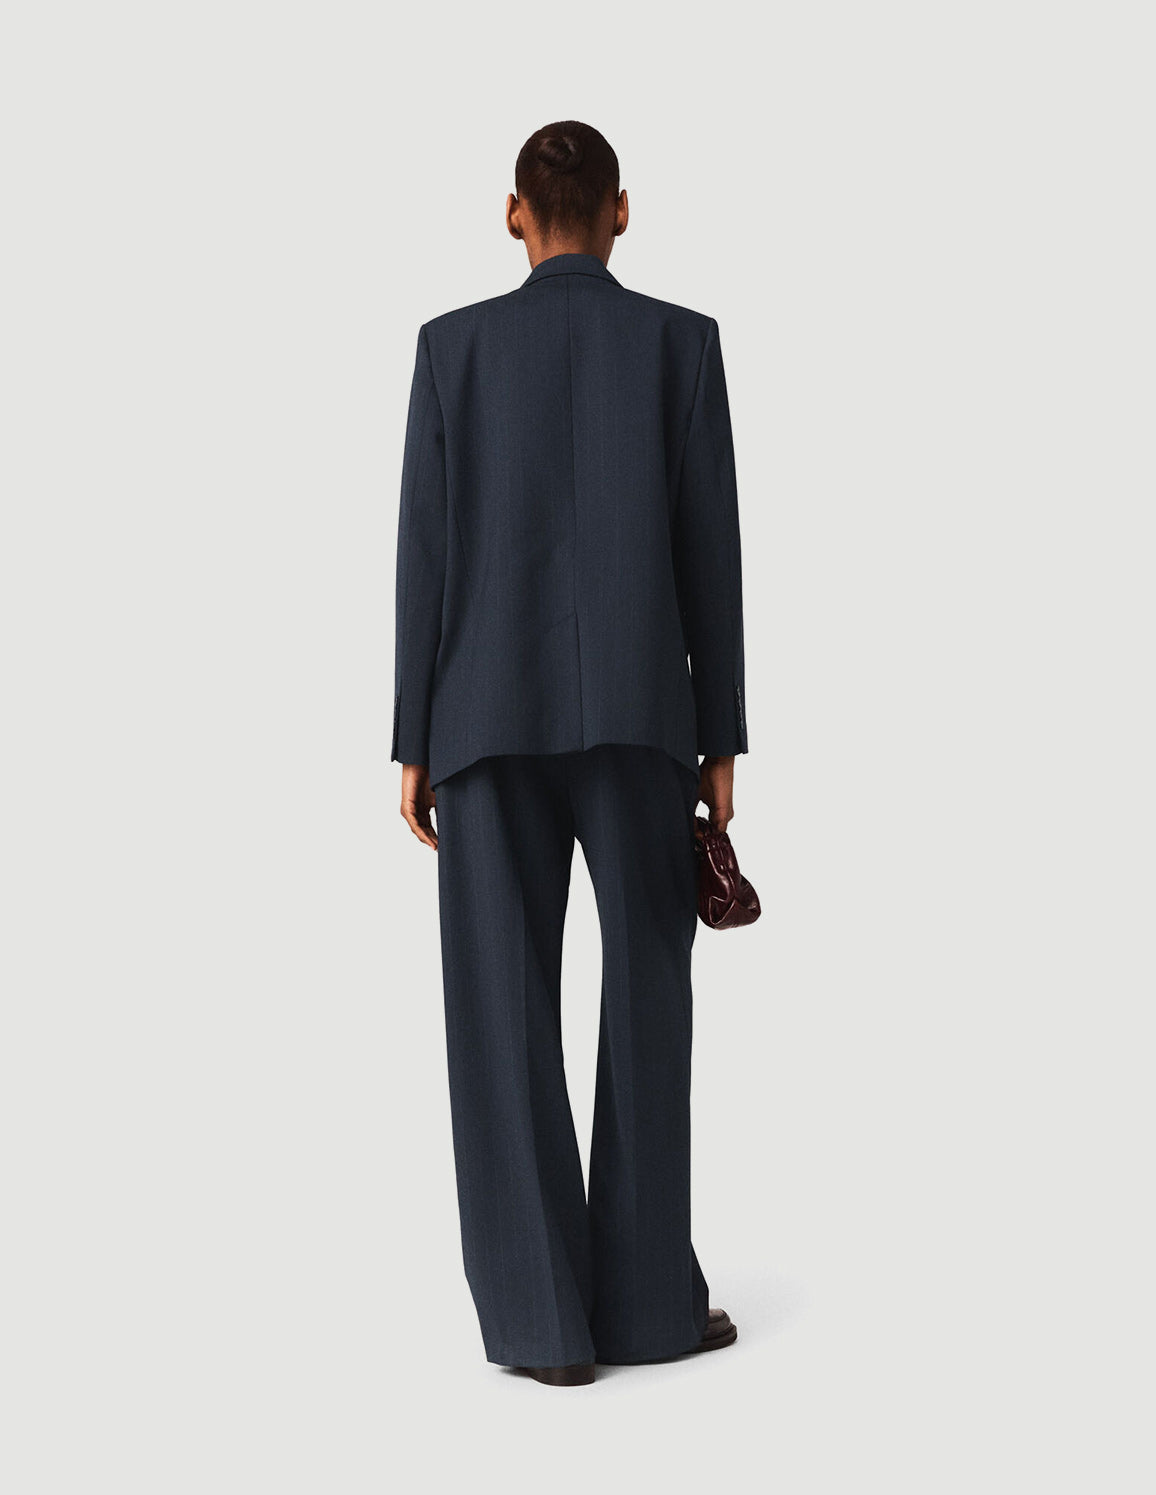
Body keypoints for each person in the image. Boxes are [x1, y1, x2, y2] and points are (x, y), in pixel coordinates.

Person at [392, 120, 748, 1385]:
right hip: (645, 713)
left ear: (513, 215)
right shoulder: (680, 344)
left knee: (499, 1012)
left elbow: (424, 552)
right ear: (621, 211)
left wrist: (409, 739)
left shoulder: (451, 350)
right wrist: (720, 738)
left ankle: (542, 1325)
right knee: (649, 996)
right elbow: (711, 548)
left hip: (480, 717)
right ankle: (647, 1307)